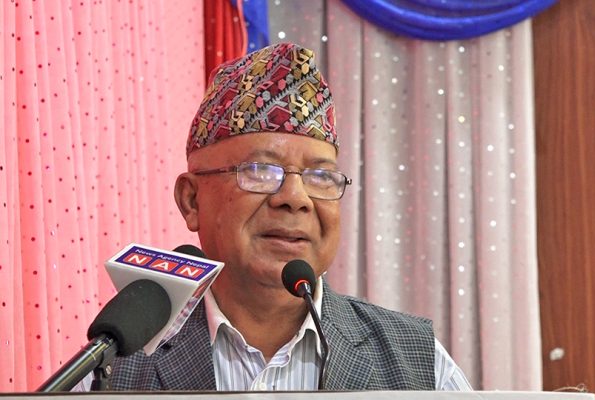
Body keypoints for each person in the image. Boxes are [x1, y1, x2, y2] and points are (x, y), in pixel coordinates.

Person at [108, 42, 472, 391]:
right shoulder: (115, 362)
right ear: (191, 201)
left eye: (320, 176)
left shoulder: (418, 362)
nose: (296, 199)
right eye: (260, 171)